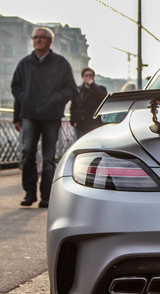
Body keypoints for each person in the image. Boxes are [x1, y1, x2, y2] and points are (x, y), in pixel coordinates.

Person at [11, 26, 77, 208]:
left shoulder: (60, 63)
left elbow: (71, 89)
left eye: (41, 37)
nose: (38, 40)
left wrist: (55, 101)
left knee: (48, 157)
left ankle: (46, 196)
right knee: (27, 153)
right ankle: (29, 192)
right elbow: (17, 88)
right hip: (30, 115)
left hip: (51, 116)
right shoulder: (25, 64)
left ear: (49, 41)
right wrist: (18, 115)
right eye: (35, 37)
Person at [70, 67, 107, 137]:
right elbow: (73, 106)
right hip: (81, 124)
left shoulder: (100, 89)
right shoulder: (78, 90)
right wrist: (73, 120)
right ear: (83, 77)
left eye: (90, 75)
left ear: (93, 77)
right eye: (86, 75)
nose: (88, 77)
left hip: (95, 123)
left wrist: (92, 86)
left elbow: (103, 99)